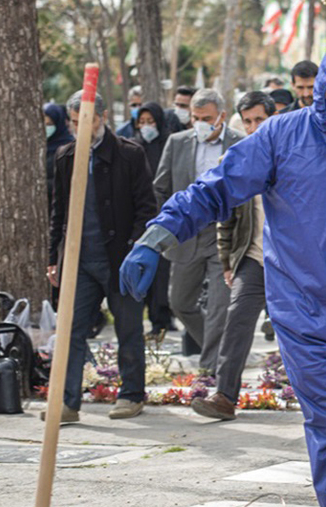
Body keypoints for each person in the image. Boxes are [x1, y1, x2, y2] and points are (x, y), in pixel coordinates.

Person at [118, 39, 326, 507]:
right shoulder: (281, 136)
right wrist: (157, 236)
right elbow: (215, 188)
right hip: (306, 310)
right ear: (320, 91)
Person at [45, 90, 157, 423]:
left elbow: (146, 208)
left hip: (120, 259)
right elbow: (58, 212)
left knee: (128, 329)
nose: (81, 128)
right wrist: (53, 256)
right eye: (74, 122)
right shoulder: (65, 156)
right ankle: (68, 401)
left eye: (87, 122)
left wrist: (138, 248)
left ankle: (131, 394)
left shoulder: (128, 155)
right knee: (71, 330)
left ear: (102, 118)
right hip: (80, 261)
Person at [192, 92, 275, 420]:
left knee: (304, 330)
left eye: (260, 120)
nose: (254, 127)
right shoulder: (238, 159)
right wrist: (227, 261)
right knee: (237, 320)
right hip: (253, 258)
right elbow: (226, 215)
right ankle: (224, 396)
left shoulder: (295, 154)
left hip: (296, 262)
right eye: (248, 121)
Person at [152, 89, 245, 372]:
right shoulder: (177, 142)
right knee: (180, 302)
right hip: (187, 234)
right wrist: (169, 222)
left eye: (206, 118)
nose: (200, 123)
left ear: (222, 116)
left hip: (224, 236)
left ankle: (209, 373)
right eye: (195, 117)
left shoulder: (240, 143)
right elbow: (161, 187)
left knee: (219, 310)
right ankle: (220, 351)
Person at [134, 102, 176, 336]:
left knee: (163, 271)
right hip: (142, 216)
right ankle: (150, 316)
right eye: (142, 122)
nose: (146, 127)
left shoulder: (168, 145)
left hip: (165, 216)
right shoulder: (134, 147)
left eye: (151, 122)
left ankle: (163, 316)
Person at [44, 103, 74, 211]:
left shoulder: (69, 147)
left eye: (49, 124)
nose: (46, 128)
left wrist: (42, 184)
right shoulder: (38, 146)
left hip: (61, 206)